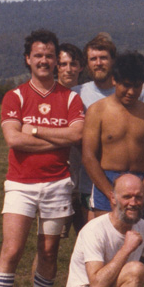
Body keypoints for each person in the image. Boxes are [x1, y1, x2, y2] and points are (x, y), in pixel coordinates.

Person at [0, 29, 85, 287]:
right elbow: (13, 139)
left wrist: (36, 131)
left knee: (49, 252)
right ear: (28, 59)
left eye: (49, 56)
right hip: (20, 184)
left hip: (58, 185)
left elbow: (76, 135)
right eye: (38, 55)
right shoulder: (14, 96)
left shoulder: (70, 98)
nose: (44, 60)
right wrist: (57, 141)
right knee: (12, 250)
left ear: (56, 60)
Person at [74, 33, 144, 218]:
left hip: (140, 181)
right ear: (114, 80)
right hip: (107, 181)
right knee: (109, 235)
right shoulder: (97, 111)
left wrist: (143, 189)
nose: (131, 92)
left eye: (137, 86)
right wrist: (109, 192)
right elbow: (89, 157)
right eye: (126, 85)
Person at [57, 42, 87, 234]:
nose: (68, 69)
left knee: (87, 235)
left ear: (81, 66)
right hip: (58, 178)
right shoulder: (50, 97)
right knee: (51, 241)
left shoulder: (88, 95)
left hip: (85, 178)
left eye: (73, 64)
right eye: (63, 64)